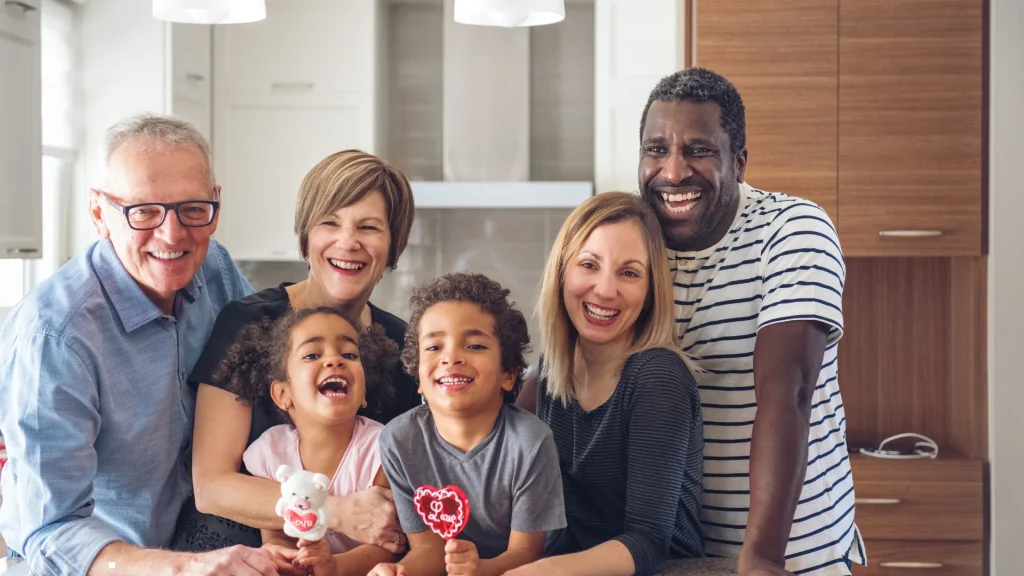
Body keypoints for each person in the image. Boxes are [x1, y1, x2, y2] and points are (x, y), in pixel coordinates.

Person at [0, 114, 278, 575]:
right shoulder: (55, 337)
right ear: (98, 213)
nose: (172, 235)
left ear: (216, 203)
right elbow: (50, 530)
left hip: (204, 545)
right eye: (143, 211)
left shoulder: (216, 270)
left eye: (192, 208)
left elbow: (270, 374)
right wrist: (185, 569)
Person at [638, 68, 862, 575]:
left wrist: (761, 558)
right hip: (677, 554)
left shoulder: (793, 229)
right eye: (656, 149)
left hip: (793, 554)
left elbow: (789, 391)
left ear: (737, 162)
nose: (673, 172)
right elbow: (565, 370)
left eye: (698, 149)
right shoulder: (633, 239)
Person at [176, 150, 420, 551]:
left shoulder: (401, 345)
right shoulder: (248, 323)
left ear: (394, 246)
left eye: (369, 227)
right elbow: (212, 486)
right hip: (229, 556)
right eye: (330, 222)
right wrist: (334, 510)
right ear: (307, 236)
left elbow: (392, 498)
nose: (348, 241)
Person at [513, 192, 704, 576]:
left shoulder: (658, 377)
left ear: (651, 290)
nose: (604, 290)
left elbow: (648, 543)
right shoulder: (553, 370)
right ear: (563, 271)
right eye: (589, 265)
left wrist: (539, 572)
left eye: (629, 272)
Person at [368, 273, 567, 576]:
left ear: (508, 374)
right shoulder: (398, 440)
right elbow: (428, 550)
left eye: (474, 346)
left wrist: (479, 569)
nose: (451, 357)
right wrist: (401, 571)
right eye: (434, 347)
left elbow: (526, 553)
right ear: (417, 376)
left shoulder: (531, 443)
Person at [221, 307, 402, 575]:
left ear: (364, 392)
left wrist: (333, 567)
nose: (334, 360)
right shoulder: (271, 453)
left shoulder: (383, 449)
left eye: (349, 354)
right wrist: (286, 557)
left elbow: (386, 543)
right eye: (312, 355)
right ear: (283, 394)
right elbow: (276, 531)